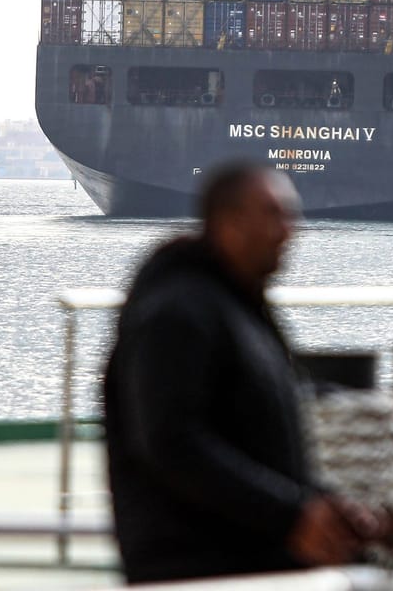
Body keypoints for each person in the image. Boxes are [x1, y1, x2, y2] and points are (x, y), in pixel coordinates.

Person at [103, 162, 375, 582]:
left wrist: (324, 505)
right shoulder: (178, 314)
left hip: (250, 561)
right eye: (273, 214)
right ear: (227, 223)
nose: (289, 230)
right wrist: (291, 517)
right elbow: (171, 443)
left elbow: (256, 445)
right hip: (194, 569)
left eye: (290, 214)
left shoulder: (242, 312)